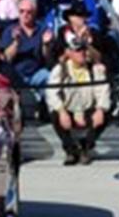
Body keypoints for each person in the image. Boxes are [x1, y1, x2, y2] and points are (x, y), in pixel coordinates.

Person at [46, 35, 110, 165]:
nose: (82, 53)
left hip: (87, 108)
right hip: (68, 109)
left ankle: (86, 147)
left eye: (84, 50)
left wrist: (100, 109)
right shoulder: (60, 69)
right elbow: (51, 93)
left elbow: (103, 90)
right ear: (69, 52)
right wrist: (62, 111)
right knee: (54, 113)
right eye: (78, 50)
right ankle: (70, 150)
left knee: (106, 112)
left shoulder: (95, 69)